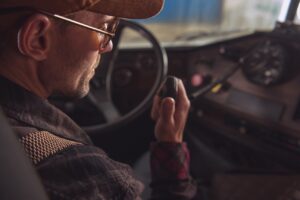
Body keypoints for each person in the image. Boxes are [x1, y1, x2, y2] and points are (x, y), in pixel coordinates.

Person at [0, 0, 197, 199]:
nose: (108, 45)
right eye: (104, 28)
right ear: (37, 38)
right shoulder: (84, 176)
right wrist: (171, 146)